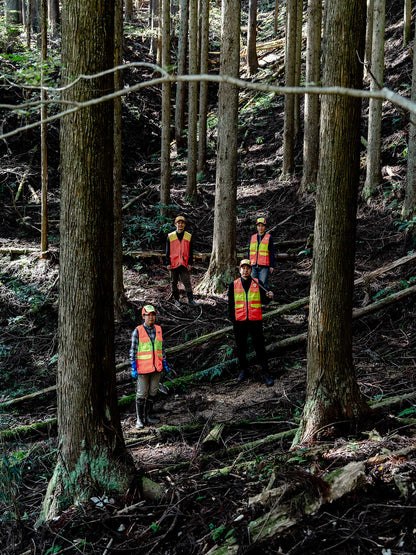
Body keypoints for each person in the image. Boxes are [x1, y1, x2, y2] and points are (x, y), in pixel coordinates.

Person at [228, 259, 275, 387]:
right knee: (241, 347)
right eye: (243, 268)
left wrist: (269, 296)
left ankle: (266, 373)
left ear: (251, 270)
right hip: (240, 322)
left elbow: (265, 300)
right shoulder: (233, 285)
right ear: (239, 270)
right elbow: (230, 305)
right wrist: (234, 321)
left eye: (248, 268)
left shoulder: (257, 283)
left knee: (260, 348)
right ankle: (244, 371)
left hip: (255, 321)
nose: (245, 270)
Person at [130, 304, 166, 429]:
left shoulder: (158, 329)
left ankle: (148, 416)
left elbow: (161, 349)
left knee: (153, 392)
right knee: (141, 393)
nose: (151, 317)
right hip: (143, 369)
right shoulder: (138, 331)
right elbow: (133, 350)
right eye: (148, 315)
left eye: (153, 315)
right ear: (143, 316)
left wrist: (164, 363)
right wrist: (133, 366)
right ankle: (139, 420)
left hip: (156, 368)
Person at [166, 215, 197, 307]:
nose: (180, 225)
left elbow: (191, 251)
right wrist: (168, 263)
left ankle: (190, 300)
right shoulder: (170, 236)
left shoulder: (188, 236)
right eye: (178, 223)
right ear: (175, 224)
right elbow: (167, 251)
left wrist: (190, 263)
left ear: (184, 225)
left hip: (184, 263)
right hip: (173, 263)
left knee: (187, 282)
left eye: (182, 223)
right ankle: (176, 300)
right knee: (173, 282)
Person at [247, 217, 275, 289]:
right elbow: (249, 252)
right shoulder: (252, 237)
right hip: (253, 265)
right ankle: (253, 299)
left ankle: (262, 299)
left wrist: (271, 265)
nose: (260, 228)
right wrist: (248, 263)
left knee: (262, 284)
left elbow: (271, 252)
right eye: (259, 226)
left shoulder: (269, 238)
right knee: (252, 283)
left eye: (262, 226)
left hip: (264, 266)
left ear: (265, 227)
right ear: (256, 227)